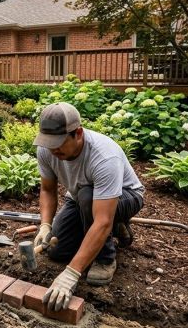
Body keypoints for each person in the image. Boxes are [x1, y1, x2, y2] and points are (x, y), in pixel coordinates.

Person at [33, 102, 145, 311]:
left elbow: (102, 222)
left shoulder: (104, 156)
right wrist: (45, 225)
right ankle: (112, 227)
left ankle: (105, 258)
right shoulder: (47, 151)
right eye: (49, 142)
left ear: (78, 133)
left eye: (58, 142)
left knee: (89, 198)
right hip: (80, 197)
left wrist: (71, 274)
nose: (53, 149)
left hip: (126, 197)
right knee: (58, 250)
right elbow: (48, 190)